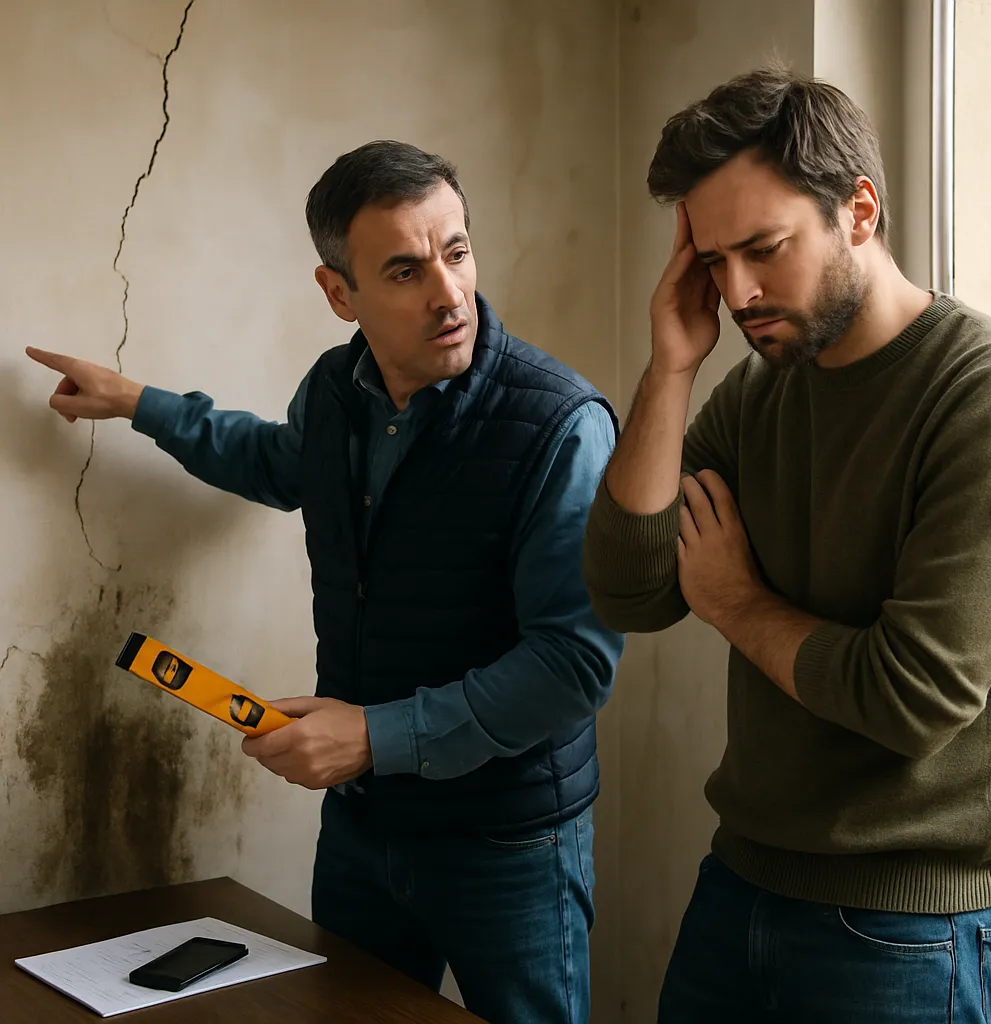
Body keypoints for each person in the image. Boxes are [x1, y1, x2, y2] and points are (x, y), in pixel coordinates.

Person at [28, 140, 623, 1024]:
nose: (450, 293)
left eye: (457, 252)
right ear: (339, 293)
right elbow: (277, 460)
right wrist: (135, 402)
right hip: (362, 830)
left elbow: (573, 667)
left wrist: (373, 737)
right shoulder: (336, 392)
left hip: (509, 844)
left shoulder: (562, 426)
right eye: (406, 270)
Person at [582, 66, 991, 1023]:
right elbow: (630, 590)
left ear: (859, 211)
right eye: (712, 260)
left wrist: (736, 602)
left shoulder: (990, 397)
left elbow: (913, 697)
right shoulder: (760, 390)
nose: (737, 292)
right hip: (739, 883)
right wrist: (670, 369)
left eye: (764, 249)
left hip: (907, 929)